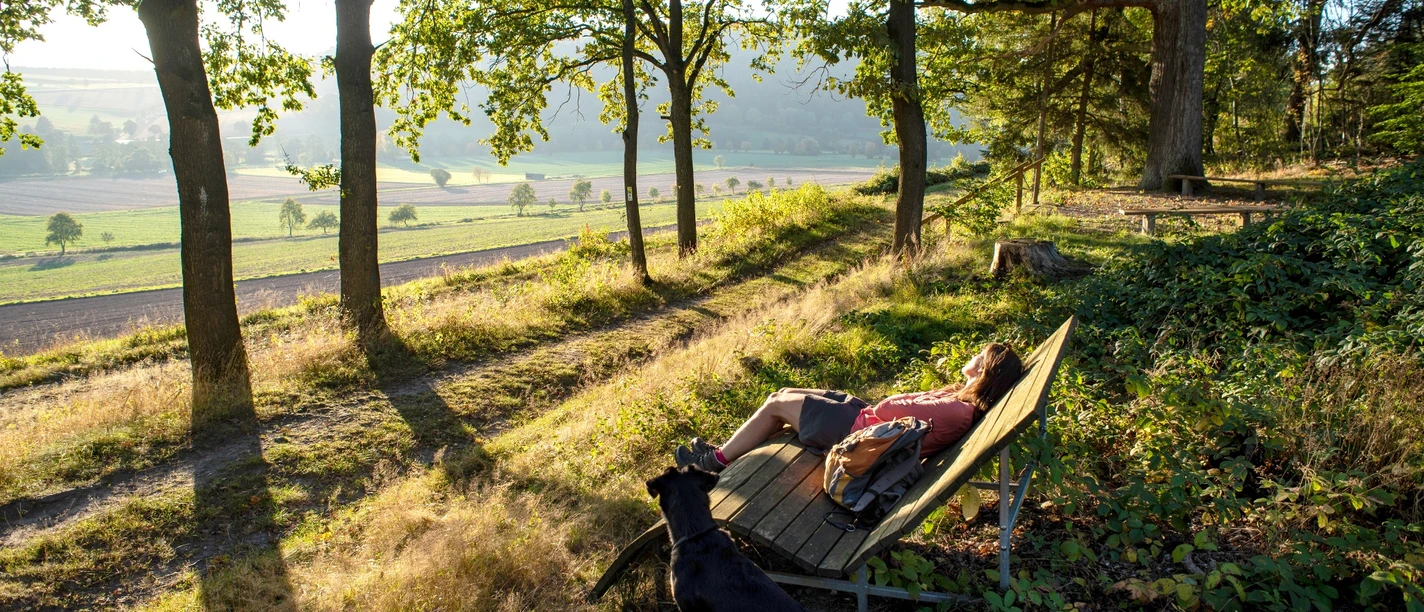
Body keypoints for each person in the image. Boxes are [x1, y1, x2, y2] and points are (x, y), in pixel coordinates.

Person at [675, 343, 1024, 473]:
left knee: (777, 405)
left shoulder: (957, 411)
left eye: (980, 354)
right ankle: (726, 452)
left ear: (984, 371)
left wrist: (917, 397)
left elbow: (890, 410)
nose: (974, 354)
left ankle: (715, 462)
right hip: (863, 419)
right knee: (782, 393)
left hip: (858, 432)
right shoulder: (960, 401)